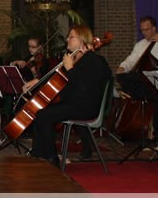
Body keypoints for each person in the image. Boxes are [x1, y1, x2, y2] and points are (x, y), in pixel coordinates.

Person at [24, 25, 111, 167]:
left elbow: (84, 87)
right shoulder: (76, 59)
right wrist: (37, 81)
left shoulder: (92, 60)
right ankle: (38, 155)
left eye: (71, 37)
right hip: (74, 103)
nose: (67, 39)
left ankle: (52, 158)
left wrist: (70, 68)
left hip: (85, 106)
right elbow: (60, 79)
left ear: (82, 40)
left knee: (44, 115)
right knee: (41, 113)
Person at [114, 16, 158, 138]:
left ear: (154, 28)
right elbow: (131, 60)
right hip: (143, 79)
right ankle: (134, 116)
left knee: (157, 97)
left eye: (147, 29)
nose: (145, 33)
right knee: (122, 77)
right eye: (142, 30)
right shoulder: (140, 45)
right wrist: (123, 67)